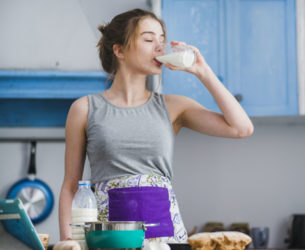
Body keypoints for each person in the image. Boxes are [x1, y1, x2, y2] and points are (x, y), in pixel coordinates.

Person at [59, 8, 253, 243]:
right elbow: (71, 186)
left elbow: (241, 128)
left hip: (167, 241)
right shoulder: (85, 109)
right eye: (149, 39)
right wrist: (69, 241)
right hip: (107, 240)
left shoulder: (173, 106)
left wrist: (203, 71)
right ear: (119, 50)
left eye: (162, 40)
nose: (160, 47)